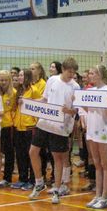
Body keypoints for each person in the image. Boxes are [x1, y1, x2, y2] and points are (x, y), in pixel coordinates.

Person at [28, 58, 78, 203]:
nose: (71, 74)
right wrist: (28, 103)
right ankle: (39, 183)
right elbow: (44, 100)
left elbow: (76, 110)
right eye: (69, 71)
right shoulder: (52, 80)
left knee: (57, 158)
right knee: (33, 152)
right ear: (63, 69)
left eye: (74, 72)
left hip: (60, 126)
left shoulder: (75, 86)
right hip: (45, 122)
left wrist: (68, 111)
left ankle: (56, 189)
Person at [82, 64, 107, 209]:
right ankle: (97, 195)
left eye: (93, 73)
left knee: (105, 164)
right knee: (96, 164)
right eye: (90, 73)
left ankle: (105, 197)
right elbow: (88, 110)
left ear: (100, 75)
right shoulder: (90, 91)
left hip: (104, 131)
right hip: (92, 130)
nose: (90, 76)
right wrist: (79, 102)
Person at [0, 70, 17, 187]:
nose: (3, 82)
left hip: (9, 126)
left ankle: (7, 178)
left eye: (5, 80)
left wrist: (3, 114)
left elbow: (15, 110)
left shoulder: (13, 93)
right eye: (1, 80)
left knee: (9, 152)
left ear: (9, 81)